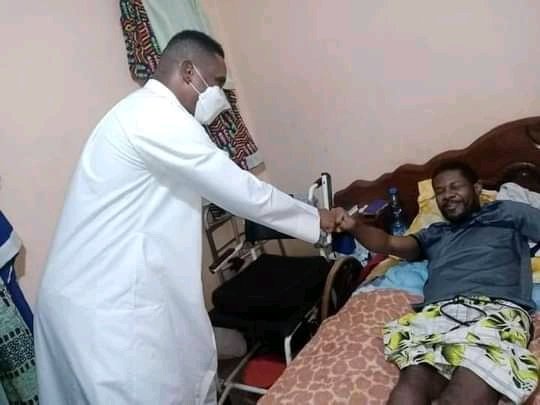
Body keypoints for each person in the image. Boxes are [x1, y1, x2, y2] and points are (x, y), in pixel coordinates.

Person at [34, 30, 340, 404]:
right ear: (188, 71)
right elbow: (239, 189)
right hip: (106, 311)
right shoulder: (156, 118)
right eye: (216, 83)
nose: (220, 97)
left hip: (90, 299)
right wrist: (316, 218)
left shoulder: (137, 114)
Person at [336, 161, 540, 405]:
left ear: (476, 188)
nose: (447, 195)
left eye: (455, 187)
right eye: (440, 191)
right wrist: (355, 226)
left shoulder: (507, 212)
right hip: (440, 311)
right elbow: (389, 243)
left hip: (497, 310)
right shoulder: (435, 233)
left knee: (470, 384)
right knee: (412, 382)